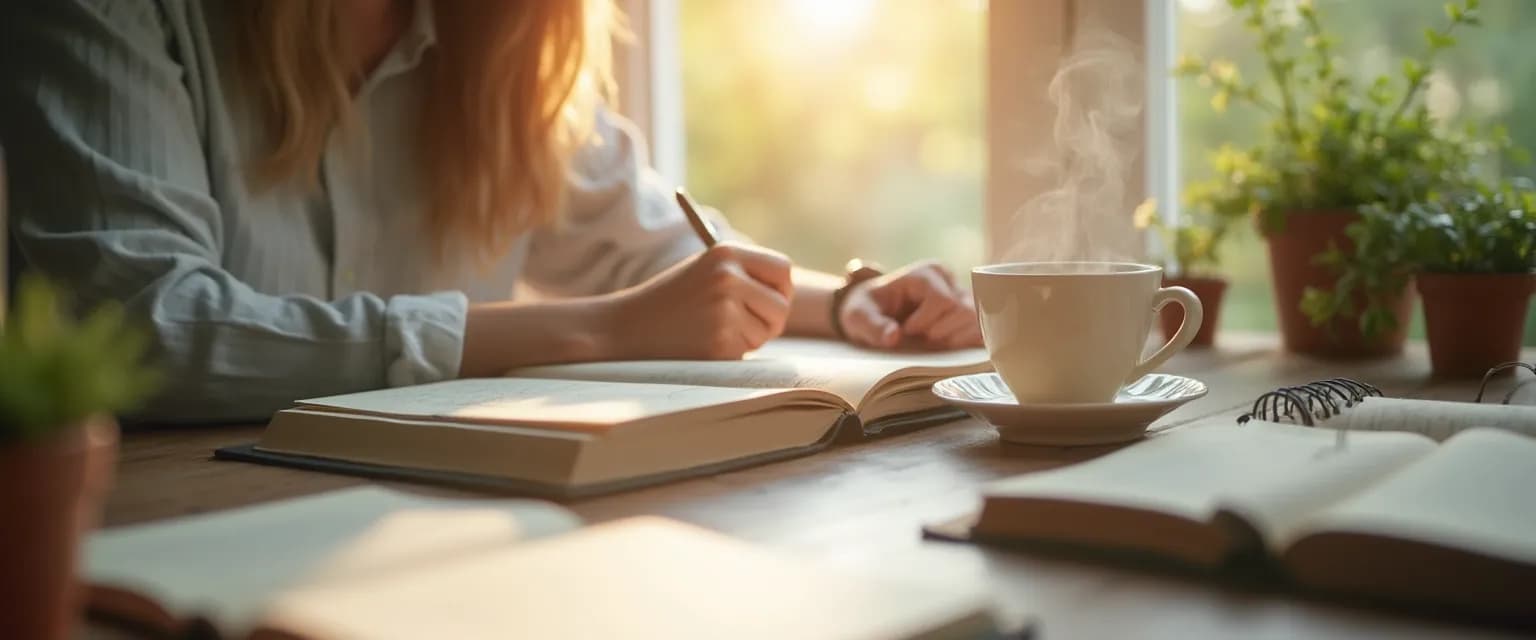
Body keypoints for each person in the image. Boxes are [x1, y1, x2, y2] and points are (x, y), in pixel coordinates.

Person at [0, 0, 981, 423]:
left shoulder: (502, 46)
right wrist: (594, 330)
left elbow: (647, 254)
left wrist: (852, 302)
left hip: (435, 515)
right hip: (153, 531)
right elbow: (132, 321)